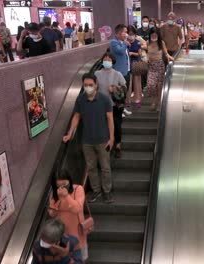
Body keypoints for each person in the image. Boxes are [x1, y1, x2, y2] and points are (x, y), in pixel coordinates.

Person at [63, 73, 114, 203]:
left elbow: (110, 119)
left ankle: (107, 191)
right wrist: (70, 133)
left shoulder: (104, 99)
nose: (88, 87)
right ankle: (96, 190)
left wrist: (111, 138)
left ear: (96, 85)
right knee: (91, 167)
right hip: (87, 141)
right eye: (85, 85)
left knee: (105, 167)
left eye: (90, 85)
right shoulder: (80, 99)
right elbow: (76, 116)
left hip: (103, 140)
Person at [48, 170, 88, 261]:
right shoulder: (55, 194)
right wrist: (57, 200)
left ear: (69, 181)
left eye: (64, 184)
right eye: (59, 185)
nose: (62, 187)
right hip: (62, 233)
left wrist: (66, 196)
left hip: (77, 231)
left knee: (79, 258)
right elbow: (52, 213)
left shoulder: (78, 189)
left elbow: (77, 208)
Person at [95, 52, 127, 158]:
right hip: (101, 105)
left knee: (116, 125)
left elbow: (124, 88)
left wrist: (115, 88)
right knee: (104, 126)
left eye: (109, 60)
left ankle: (118, 145)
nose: (107, 61)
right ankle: (106, 146)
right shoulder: (97, 74)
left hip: (115, 105)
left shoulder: (117, 74)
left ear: (113, 61)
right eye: (105, 59)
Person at [147, 28, 174, 111]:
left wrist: (172, 58)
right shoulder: (148, 42)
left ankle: (158, 103)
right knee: (151, 85)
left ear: (158, 35)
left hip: (160, 66)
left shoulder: (161, 43)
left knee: (159, 86)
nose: (154, 36)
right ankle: (154, 100)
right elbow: (145, 52)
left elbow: (166, 53)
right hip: (151, 66)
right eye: (152, 35)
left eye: (155, 34)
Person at [110, 24, 132, 116]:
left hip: (126, 70)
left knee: (124, 91)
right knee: (118, 92)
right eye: (125, 32)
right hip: (119, 71)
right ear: (119, 33)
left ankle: (122, 108)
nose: (126, 34)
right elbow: (120, 51)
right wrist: (125, 44)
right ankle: (118, 111)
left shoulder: (123, 42)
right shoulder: (114, 42)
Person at [127, 26, 143, 108]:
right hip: (127, 65)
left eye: (132, 34)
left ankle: (137, 100)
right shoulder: (125, 42)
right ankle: (128, 101)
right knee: (128, 84)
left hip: (136, 64)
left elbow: (139, 54)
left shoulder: (138, 42)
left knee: (137, 83)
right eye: (129, 34)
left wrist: (132, 53)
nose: (130, 36)